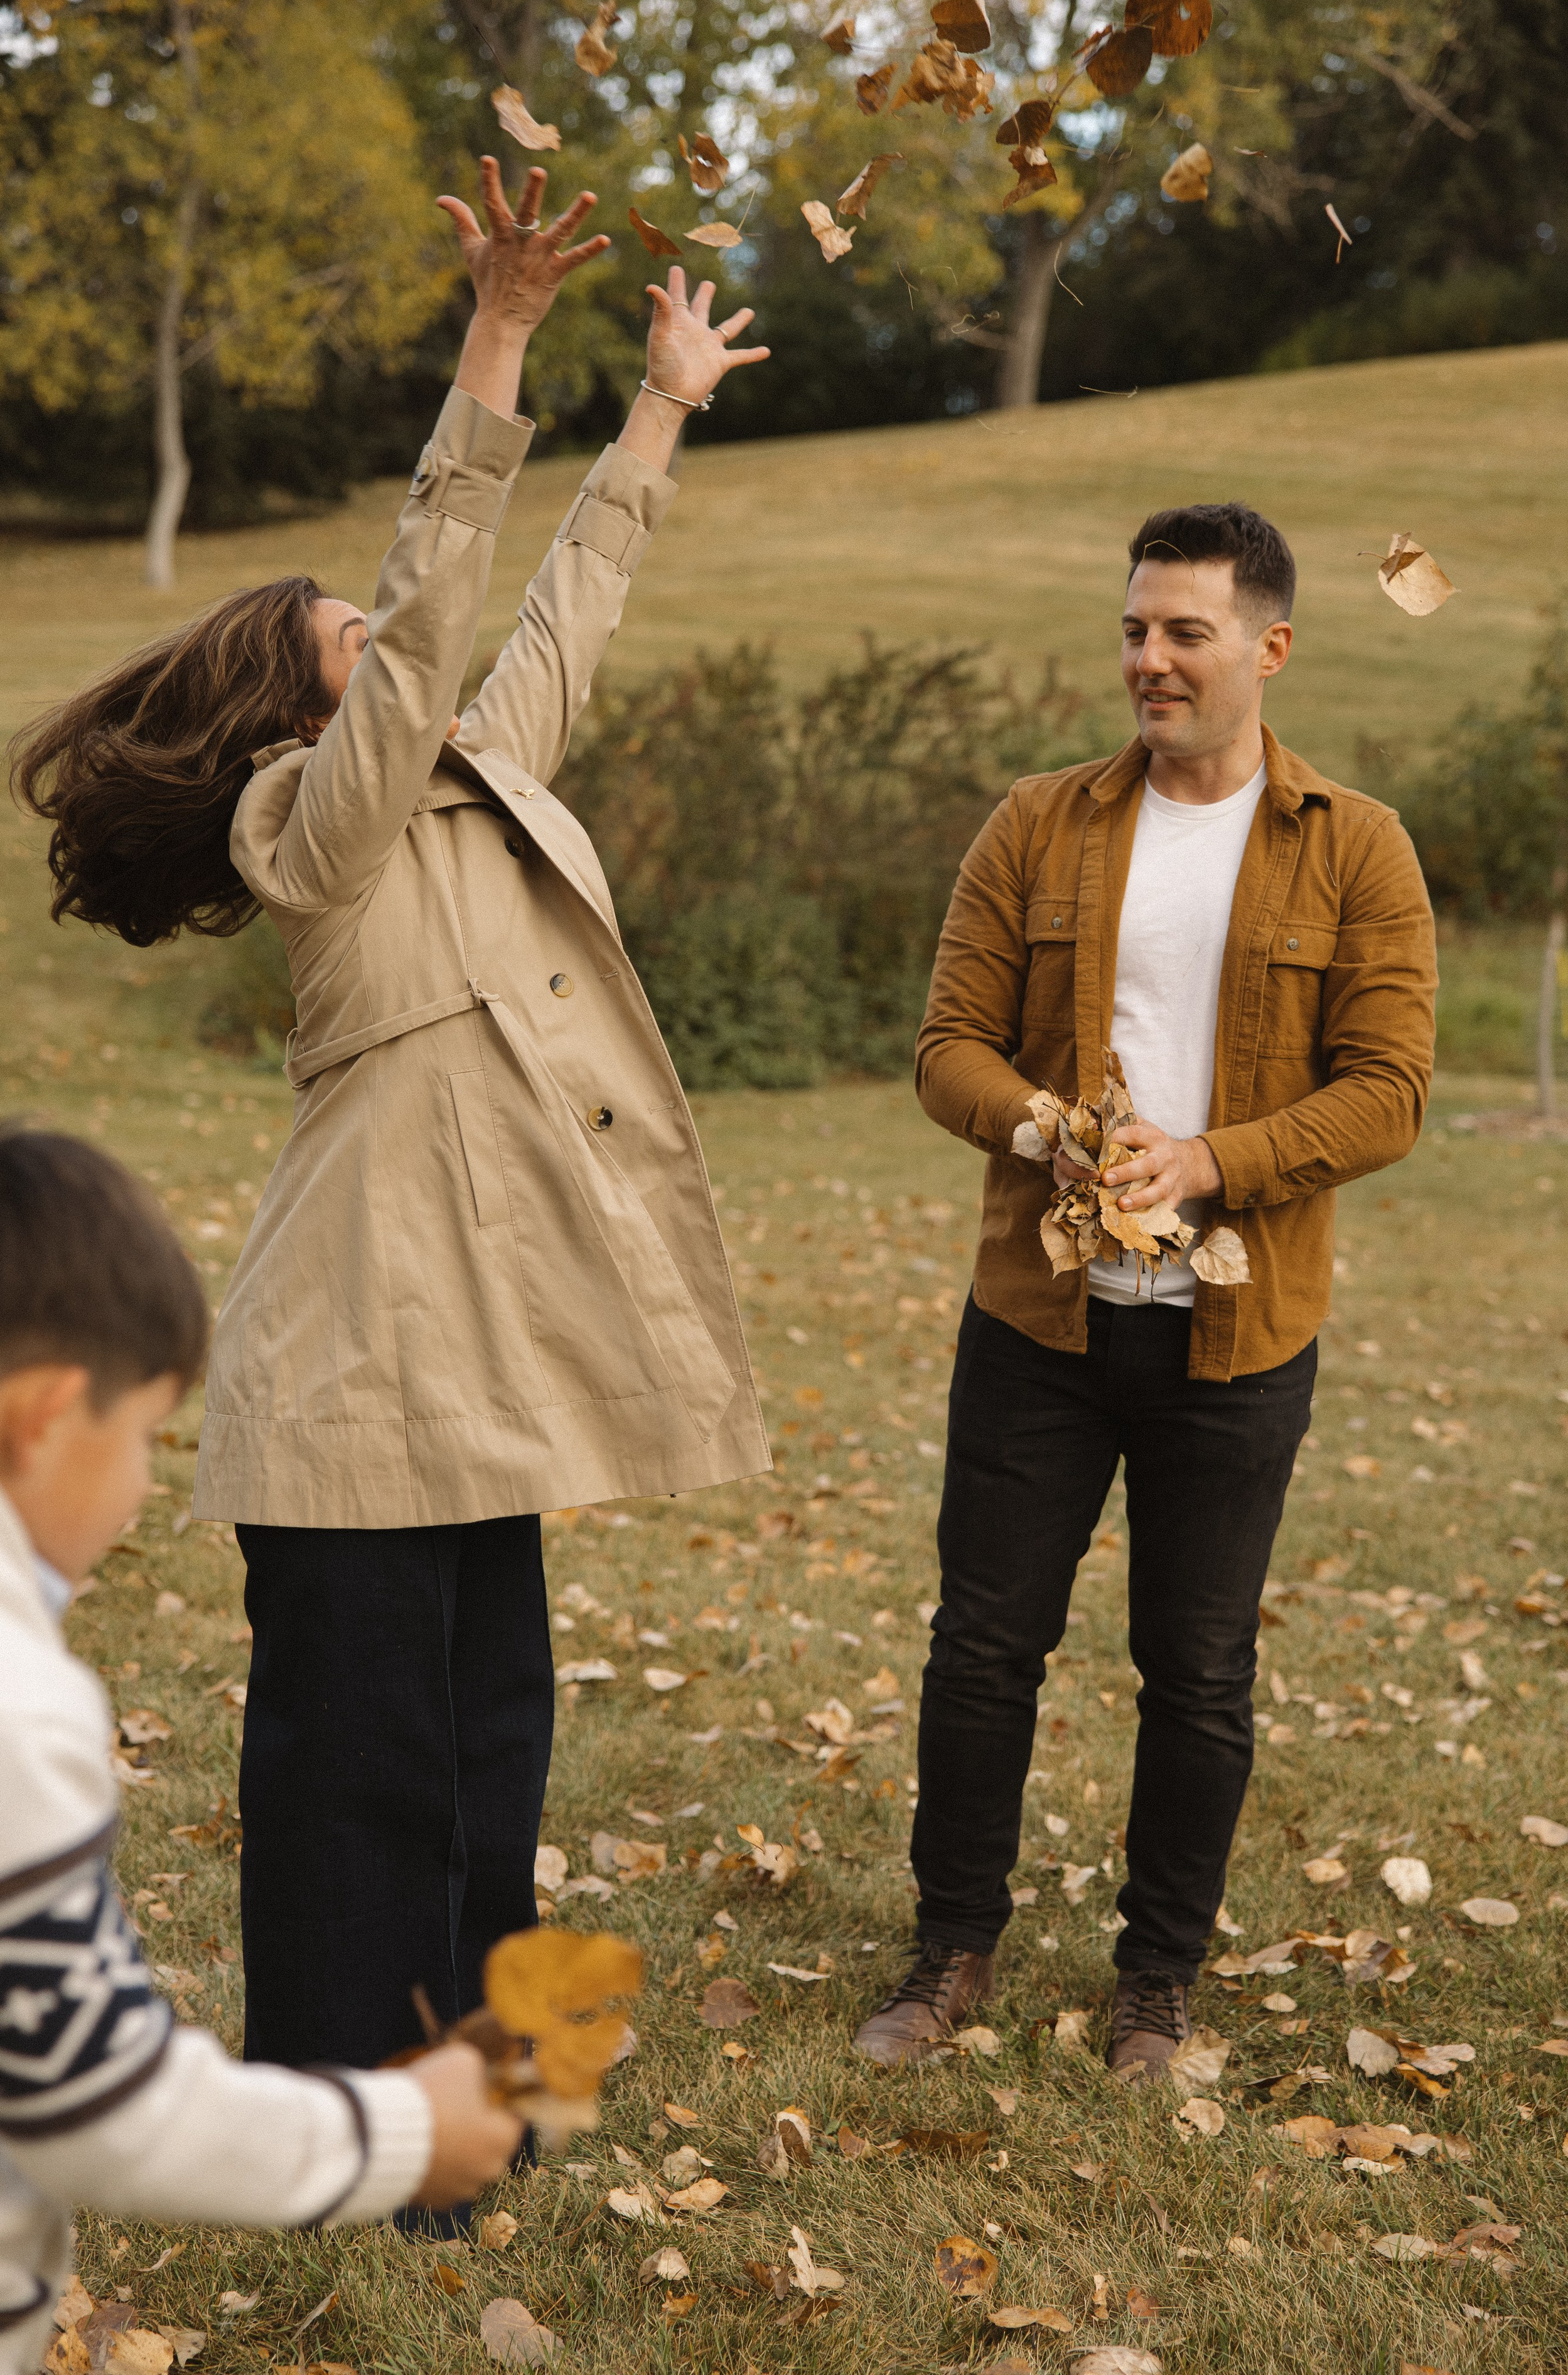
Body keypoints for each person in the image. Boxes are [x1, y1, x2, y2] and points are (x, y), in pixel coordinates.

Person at [9, 160, 773, 2139]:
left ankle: (479, 2097)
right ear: (300, 693)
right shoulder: (307, 827)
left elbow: (559, 620)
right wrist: (496, 345)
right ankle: (356, 2129)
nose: (389, 638)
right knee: (364, 1770)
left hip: (478, 1357)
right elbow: (435, 630)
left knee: (489, 1742)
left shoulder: (461, 792)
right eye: (350, 631)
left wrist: (665, 405)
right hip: (359, 1363)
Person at [852, 502, 1437, 2078]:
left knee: (1195, 1668)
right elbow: (944, 1048)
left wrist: (1207, 1162)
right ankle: (946, 1951)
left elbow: (1385, 1091)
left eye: (1184, 632)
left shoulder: (1355, 844)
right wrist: (1051, 1125)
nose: (1150, 661)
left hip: (1238, 1338)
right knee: (983, 1643)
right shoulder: (1035, 822)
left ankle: (1154, 1981)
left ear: (1268, 646)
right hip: (1037, 1323)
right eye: (1133, 629)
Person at [0, 1128, 524, 2374]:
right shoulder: (21, 1713)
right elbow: (99, 2109)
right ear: (45, 1416)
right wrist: (397, 2132)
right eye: (143, 1439)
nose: (137, 1488)